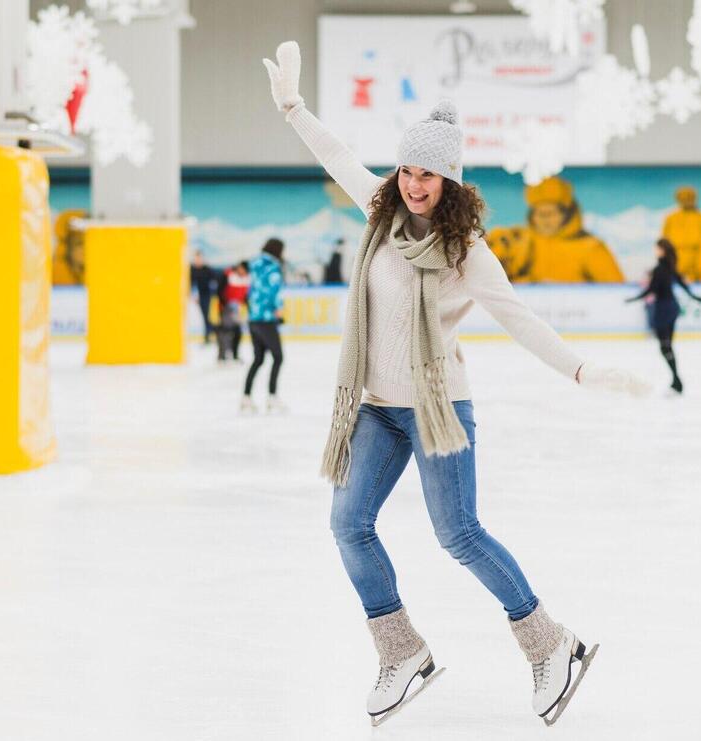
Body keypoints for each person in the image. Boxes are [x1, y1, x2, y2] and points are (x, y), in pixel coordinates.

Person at [263, 41, 650, 727]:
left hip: (438, 407)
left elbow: (520, 319)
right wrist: (293, 107)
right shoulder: (379, 213)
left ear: (450, 181)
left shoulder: (465, 252)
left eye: (428, 174)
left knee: (459, 532)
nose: (414, 183)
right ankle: (402, 650)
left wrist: (584, 370)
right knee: (348, 523)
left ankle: (550, 642)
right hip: (376, 408)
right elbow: (336, 154)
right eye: (408, 169)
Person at [485, 175, 624, 284]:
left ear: (567, 214)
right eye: (540, 213)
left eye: (552, 212)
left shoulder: (592, 248)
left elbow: (615, 292)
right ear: (532, 216)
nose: (546, 219)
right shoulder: (519, 241)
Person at [627, 239, 701, 395]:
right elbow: (683, 285)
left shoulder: (659, 269)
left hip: (663, 310)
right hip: (673, 309)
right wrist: (694, 296)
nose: (655, 250)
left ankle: (677, 381)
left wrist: (634, 299)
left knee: (665, 347)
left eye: (657, 248)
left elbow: (651, 290)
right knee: (667, 346)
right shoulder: (670, 267)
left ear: (662, 250)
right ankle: (676, 381)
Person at [241, 239, 287, 414]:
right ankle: (272, 397)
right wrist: (279, 310)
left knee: (258, 359)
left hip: (253, 318)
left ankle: (246, 397)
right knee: (278, 357)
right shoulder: (274, 267)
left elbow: (250, 289)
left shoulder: (254, 264)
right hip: (266, 318)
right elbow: (274, 291)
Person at [661, 187, 701, 282]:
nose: (686, 201)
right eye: (682, 198)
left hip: (696, 256)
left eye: (689, 198)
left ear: (694, 199)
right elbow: (664, 240)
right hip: (676, 256)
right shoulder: (671, 218)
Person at [216, 261, 249, 362]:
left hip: (237, 309)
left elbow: (245, 294)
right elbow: (219, 291)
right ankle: (222, 355)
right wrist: (226, 304)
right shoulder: (228, 275)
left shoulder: (246, 277)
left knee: (237, 332)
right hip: (226, 308)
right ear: (240, 268)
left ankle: (235, 354)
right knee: (225, 333)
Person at [189, 250, 218, 344]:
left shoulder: (207, 269)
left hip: (206, 295)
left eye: (199, 258)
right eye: (196, 258)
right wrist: (194, 294)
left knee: (206, 316)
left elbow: (214, 281)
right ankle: (211, 332)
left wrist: (212, 291)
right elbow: (190, 283)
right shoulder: (191, 269)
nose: (198, 260)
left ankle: (209, 334)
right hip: (195, 297)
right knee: (201, 317)